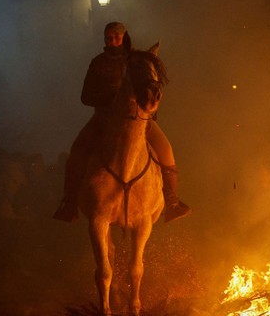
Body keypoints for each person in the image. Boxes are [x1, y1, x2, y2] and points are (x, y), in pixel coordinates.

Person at [53, 22, 191, 223]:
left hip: (138, 118)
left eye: (116, 37)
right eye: (109, 37)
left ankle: (172, 201)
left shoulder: (136, 60)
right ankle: (70, 202)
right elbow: (85, 96)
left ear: (124, 37)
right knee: (78, 150)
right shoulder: (98, 63)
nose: (112, 41)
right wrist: (109, 98)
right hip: (104, 118)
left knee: (166, 149)